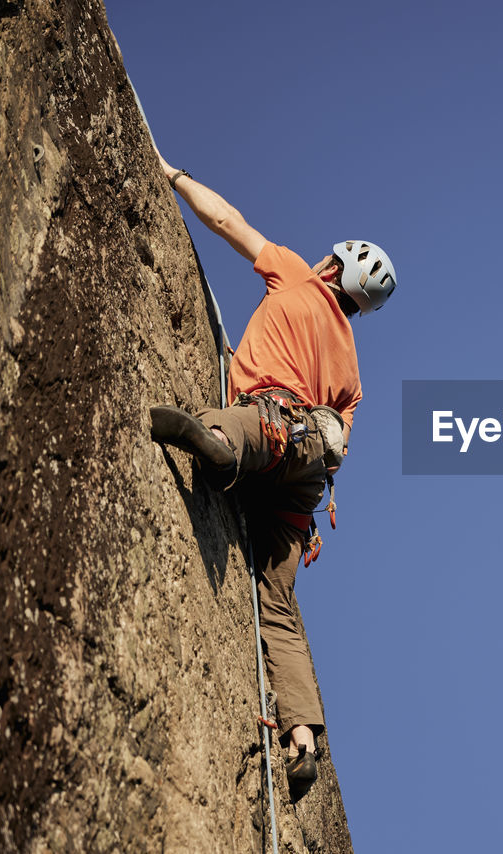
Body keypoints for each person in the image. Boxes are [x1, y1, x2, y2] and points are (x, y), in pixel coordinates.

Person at [147, 148, 396, 789]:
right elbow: (340, 446)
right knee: (278, 608)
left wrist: (175, 177)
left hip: (274, 430)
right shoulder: (354, 374)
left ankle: (212, 443)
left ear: (334, 267)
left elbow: (228, 221)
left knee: (246, 431)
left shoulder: (297, 275)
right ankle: (303, 738)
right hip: (305, 488)